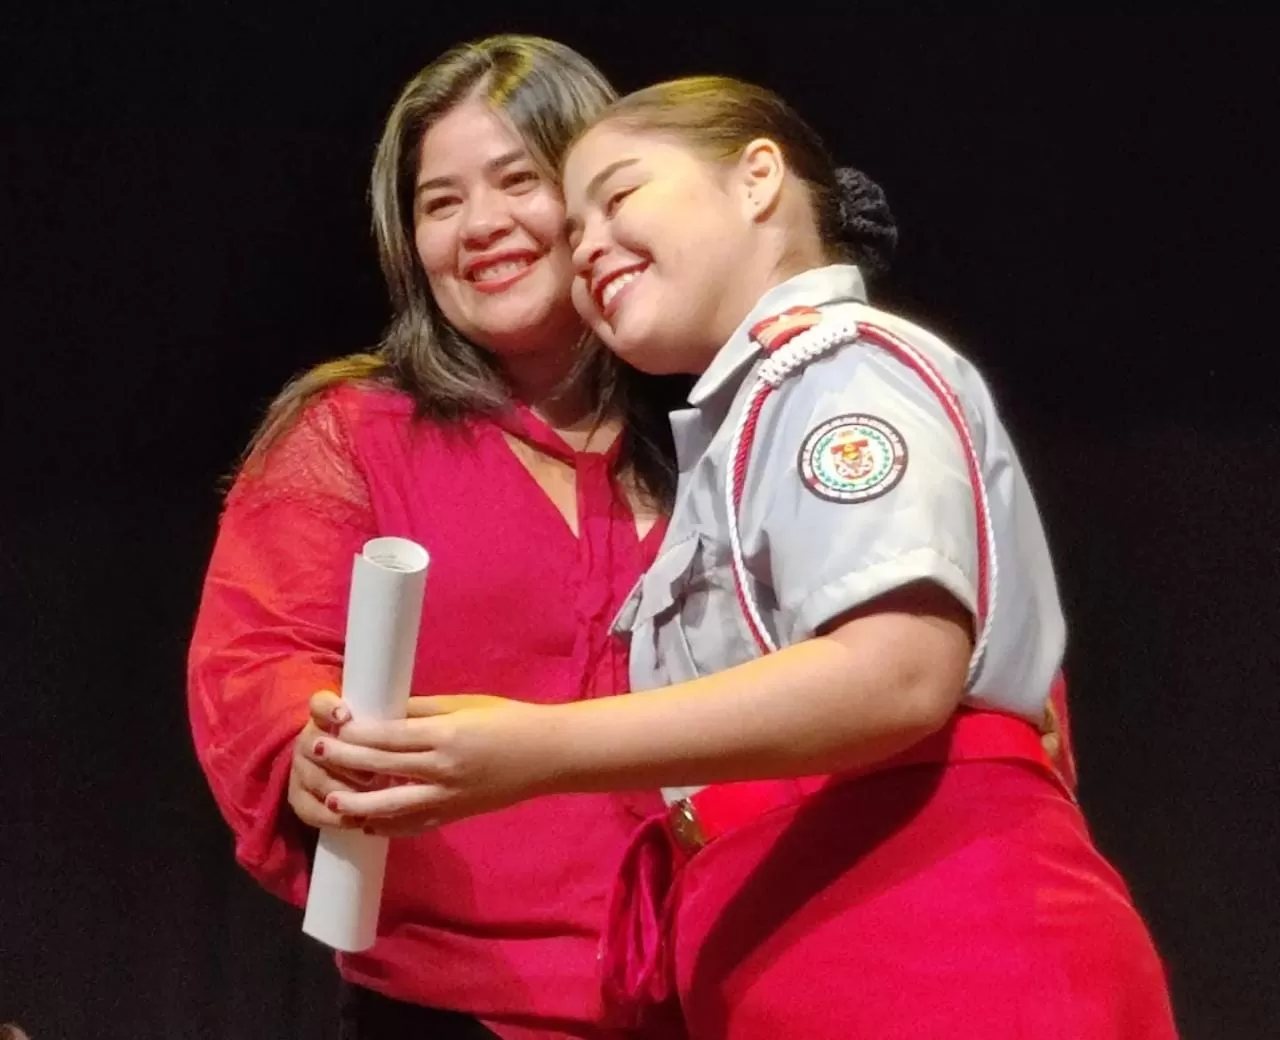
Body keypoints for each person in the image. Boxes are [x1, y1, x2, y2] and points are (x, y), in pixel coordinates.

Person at [311, 75, 1178, 1037]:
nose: (585, 246)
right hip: (830, 954)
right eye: (577, 225)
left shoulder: (838, 366)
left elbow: (896, 675)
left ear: (757, 177)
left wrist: (533, 749)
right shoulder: (746, 423)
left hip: (935, 947)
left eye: (618, 196)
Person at [187, 36, 690, 1040]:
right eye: (440, 201)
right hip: (442, 1008)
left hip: (711, 996)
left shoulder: (714, 430)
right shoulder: (353, 430)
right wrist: (308, 745)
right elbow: (258, 658)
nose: (482, 224)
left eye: (519, 179)